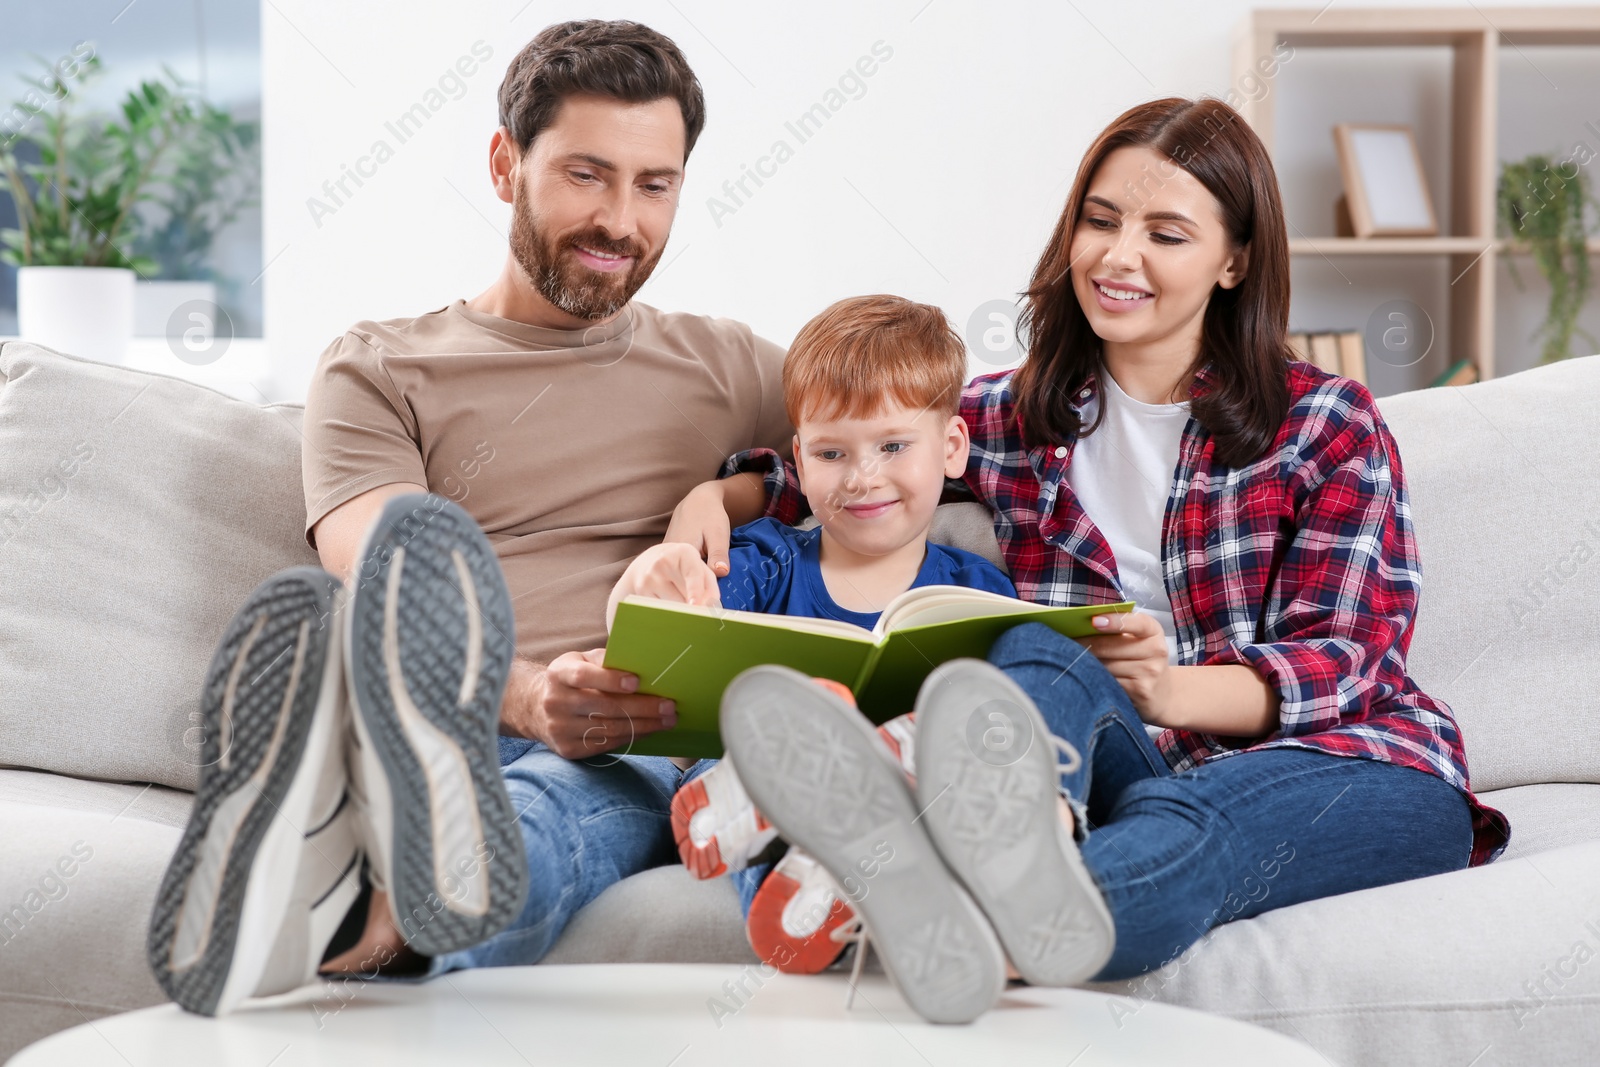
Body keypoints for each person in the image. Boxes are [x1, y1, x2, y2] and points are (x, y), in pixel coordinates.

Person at [671, 96, 1512, 1023]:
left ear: (1234, 260)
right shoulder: (1015, 419)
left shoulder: (1326, 424)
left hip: (1355, 759)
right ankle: (925, 821)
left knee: (1193, 828)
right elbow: (836, 467)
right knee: (1037, 652)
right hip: (1118, 767)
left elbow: (1348, 660)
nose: (1118, 256)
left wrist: (1169, 690)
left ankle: (923, 896)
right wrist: (709, 501)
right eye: (1101, 221)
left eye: (1166, 232)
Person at [146, 19, 795, 1013]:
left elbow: (910, 443)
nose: (620, 221)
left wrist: (726, 489)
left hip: (631, 738)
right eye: (586, 174)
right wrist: (528, 693)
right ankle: (342, 803)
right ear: (505, 164)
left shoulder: (730, 367)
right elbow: (390, 579)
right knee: (475, 712)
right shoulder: (379, 368)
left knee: (578, 795)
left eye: (653, 185)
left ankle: (349, 915)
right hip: (448, 708)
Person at [603, 293, 1017, 982]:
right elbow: (675, 635)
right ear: (799, 457)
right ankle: (791, 882)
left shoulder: (977, 595)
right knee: (732, 765)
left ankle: (851, 846)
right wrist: (650, 580)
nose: (862, 476)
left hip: (910, 779)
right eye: (832, 452)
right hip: (753, 760)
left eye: (892, 445)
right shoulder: (764, 559)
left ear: (950, 449)